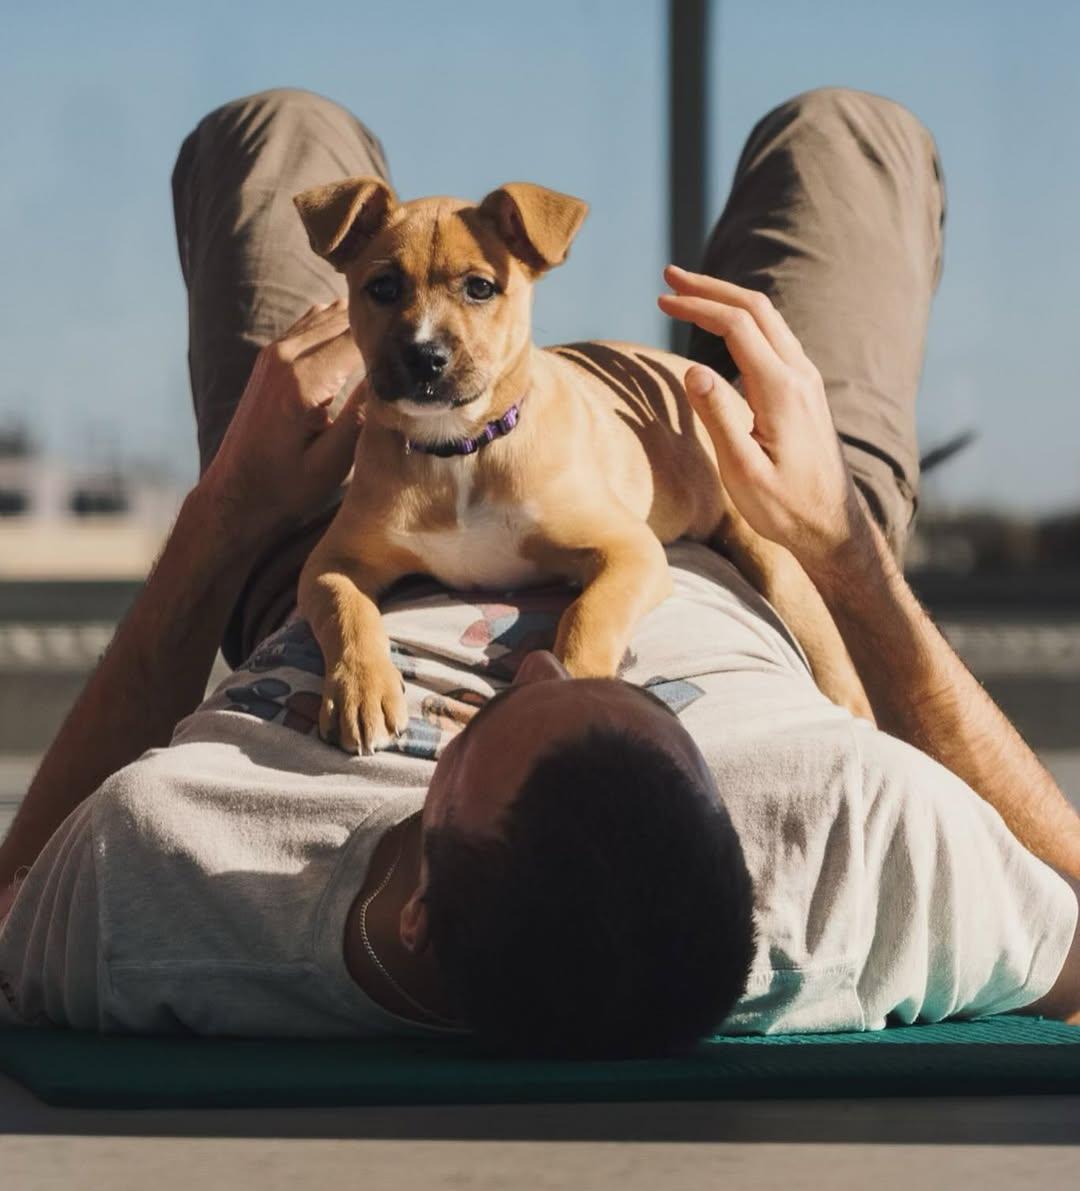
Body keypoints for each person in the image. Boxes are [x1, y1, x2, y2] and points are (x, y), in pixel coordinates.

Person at [0, 88, 1076, 1057]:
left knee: (273, 127)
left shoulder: (157, 865)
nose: (536, 659)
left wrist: (226, 508)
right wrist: (840, 546)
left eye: (497, 717)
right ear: (731, 825)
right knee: (846, 130)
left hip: (338, 507)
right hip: (749, 511)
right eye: (640, 711)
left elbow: (16, 899)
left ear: (418, 907)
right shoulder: (851, 836)